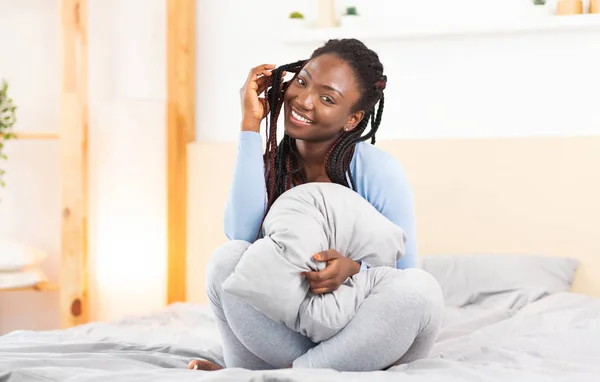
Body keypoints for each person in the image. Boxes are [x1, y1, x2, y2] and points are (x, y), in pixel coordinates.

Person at [189, 38, 443, 372]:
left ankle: (279, 376)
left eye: (327, 98)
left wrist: (354, 269)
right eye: (302, 81)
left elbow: (402, 269)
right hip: (289, 331)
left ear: (352, 119)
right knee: (227, 260)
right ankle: (303, 372)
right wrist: (251, 125)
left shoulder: (376, 170)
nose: (304, 101)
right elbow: (240, 234)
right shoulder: (268, 165)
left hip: (364, 334)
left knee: (420, 290)